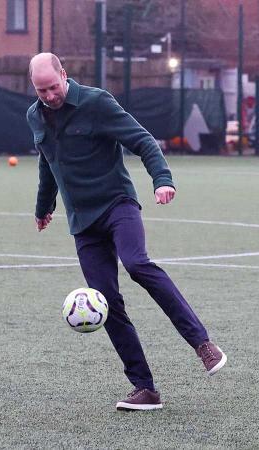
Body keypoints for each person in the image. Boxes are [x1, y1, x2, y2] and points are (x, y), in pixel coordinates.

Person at [26, 53, 226, 411]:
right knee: (106, 302)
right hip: (83, 224)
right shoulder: (35, 115)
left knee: (137, 264)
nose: (49, 96)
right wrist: (45, 208)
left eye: (53, 88)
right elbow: (47, 162)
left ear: (65, 76)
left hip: (118, 205)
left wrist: (162, 180)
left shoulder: (96, 102)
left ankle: (203, 345)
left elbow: (144, 141)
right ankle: (144, 388)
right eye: (41, 91)